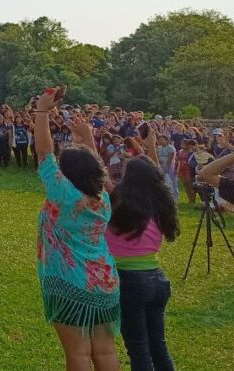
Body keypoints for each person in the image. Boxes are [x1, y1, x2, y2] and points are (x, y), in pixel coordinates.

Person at [33, 87, 120, 371]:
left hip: (70, 283)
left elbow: (44, 152)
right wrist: (88, 141)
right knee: (106, 352)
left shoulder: (63, 195)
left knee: (78, 353)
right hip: (105, 281)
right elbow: (98, 172)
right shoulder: (102, 199)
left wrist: (42, 111)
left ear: (64, 173)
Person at [106, 131, 179, 371]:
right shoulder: (161, 201)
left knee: (138, 349)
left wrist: (85, 140)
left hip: (131, 282)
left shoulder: (120, 201)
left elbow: (96, 173)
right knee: (159, 346)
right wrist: (149, 147)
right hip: (158, 279)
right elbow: (156, 175)